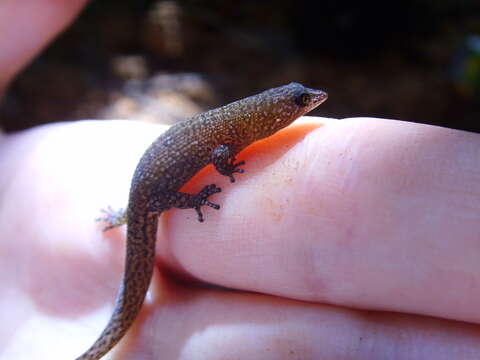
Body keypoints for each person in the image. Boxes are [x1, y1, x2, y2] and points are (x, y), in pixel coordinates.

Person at [1, 2, 480, 359]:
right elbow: (219, 154)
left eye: (301, 98)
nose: (311, 100)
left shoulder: (241, 119)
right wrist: (206, 191)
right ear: (274, 108)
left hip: (145, 192)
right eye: (299, 102)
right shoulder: (235, 131)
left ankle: (122, 233)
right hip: (154, 196)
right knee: (145, 255)